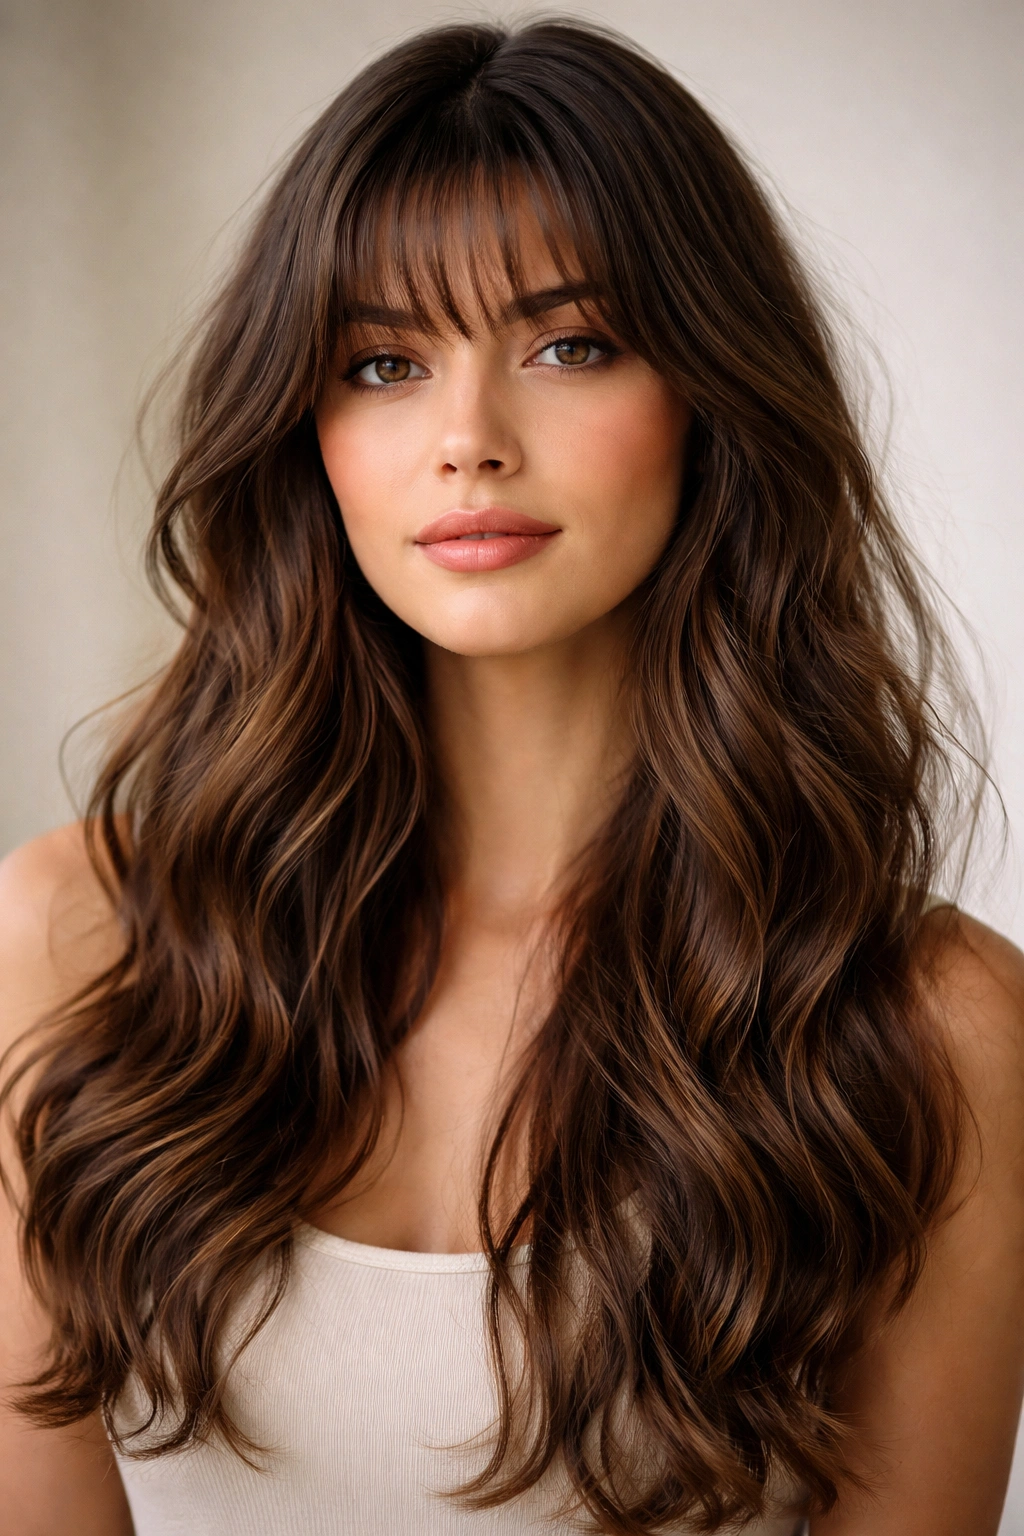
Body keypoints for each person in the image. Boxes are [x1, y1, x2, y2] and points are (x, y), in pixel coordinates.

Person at [1, 18, 1022, 1536]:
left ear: (712, 394)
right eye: (383, 363)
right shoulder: (76, 941)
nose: (467, 439)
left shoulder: (930, 1031)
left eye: (569, 345)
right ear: (307, 431)